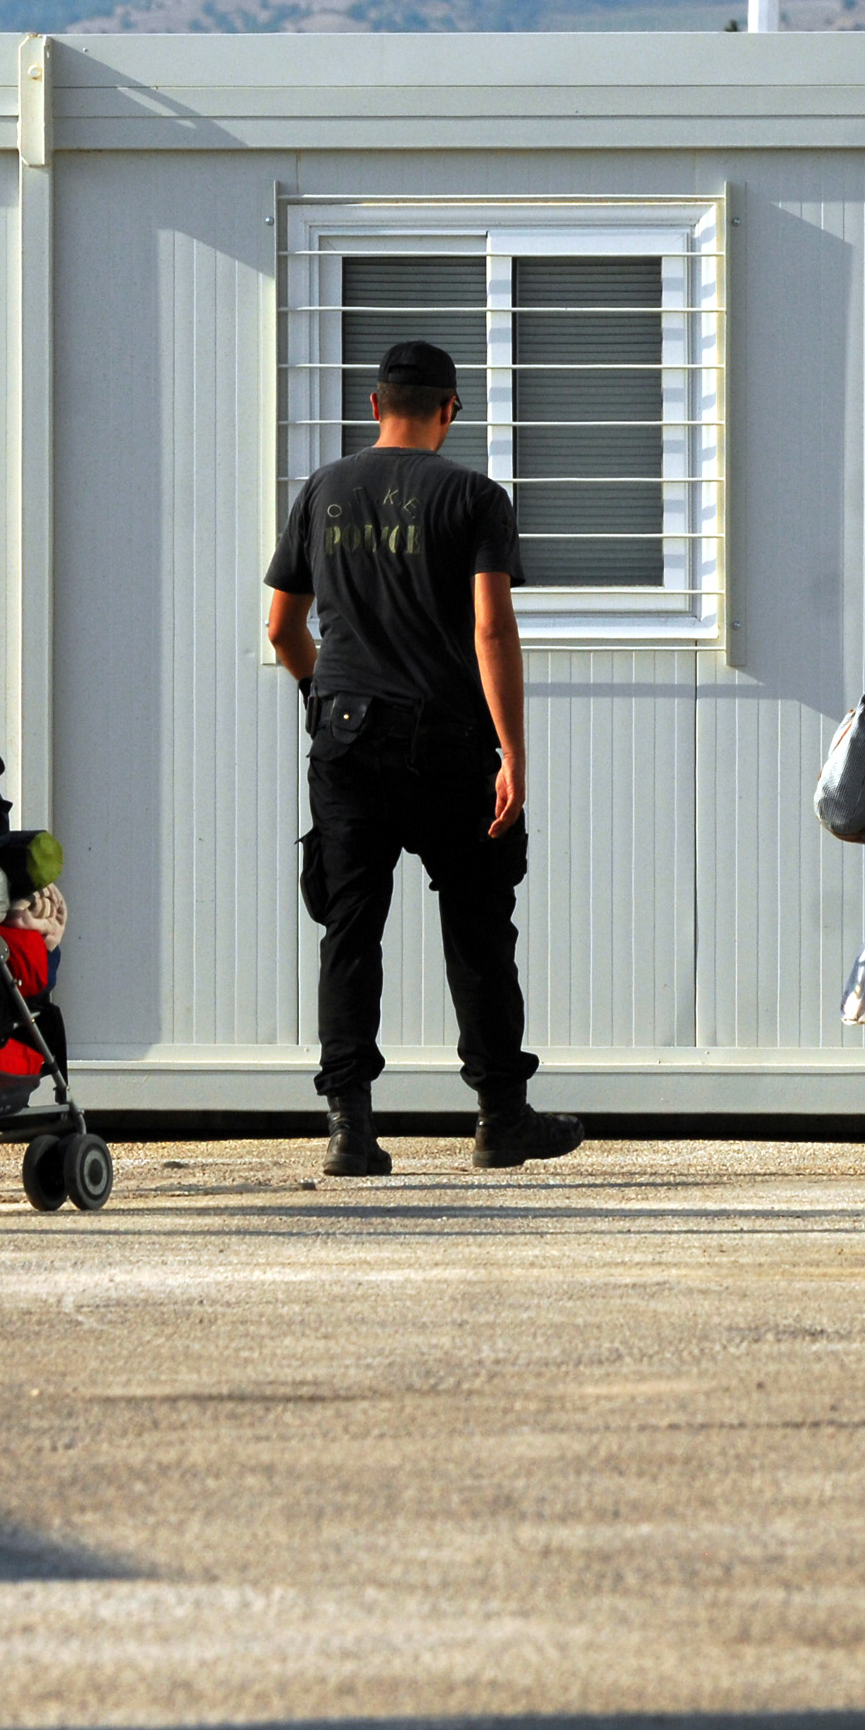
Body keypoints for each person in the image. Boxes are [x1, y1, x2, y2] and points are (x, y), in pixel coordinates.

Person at [262, 338, 583, 1180]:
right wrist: (512, 750)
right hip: (445, 740)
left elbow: (279, 628)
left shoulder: (323, 491)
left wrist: (316, 696)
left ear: (374, 406)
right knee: (477, 926)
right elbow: (490, 629)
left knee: (350, 927)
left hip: (346, 735)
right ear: (448, 410)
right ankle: (501, 1119)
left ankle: (349, 1129)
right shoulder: (474, 496)